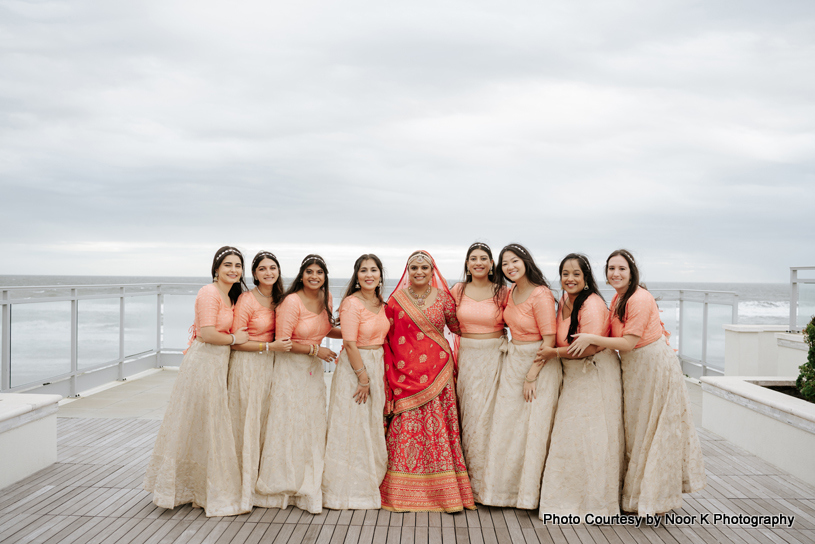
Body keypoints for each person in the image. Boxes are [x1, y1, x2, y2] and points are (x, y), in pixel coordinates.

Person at [568, 249, 706, 516]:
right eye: (611, 269)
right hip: (635, 369)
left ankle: (656, 498)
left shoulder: (640, 298)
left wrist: (590, 339)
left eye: (621, 268)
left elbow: (629, 343)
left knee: (654, 430)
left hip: (653, 366)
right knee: (639, 432)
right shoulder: (619, 298)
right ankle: (639, 495)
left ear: (632, 272)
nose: (615, 273)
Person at [143, 246, 249, 517]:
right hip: (203, 362)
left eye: (238, 265)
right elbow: (207, 333)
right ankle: (183, 487)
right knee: (196, 421)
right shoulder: (209, 293)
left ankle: (201, 485)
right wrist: (237, 339)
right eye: (228, 265)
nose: (233, 270)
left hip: (219, 362)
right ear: (216, 268)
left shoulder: (230, 295)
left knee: (209, 423)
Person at [379, 250, 475, 512]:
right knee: (406, 430)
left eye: (424, 268)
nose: (419, 272)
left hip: (439, 373)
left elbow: (458, 328)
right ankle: (401, 492)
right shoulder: (396, 300)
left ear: (433, 272)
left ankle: (445, 492)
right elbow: (385, 335)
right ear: (407, 272)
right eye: (414, 268)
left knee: (440, 432)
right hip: (405, 375)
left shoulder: (444, 298)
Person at [535, 253, 624, 518]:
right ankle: (566, 497)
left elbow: (591, 347)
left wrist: (553, 354)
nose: (570, 279)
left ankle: (593, 503)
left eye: (576, 274)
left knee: (589, 436)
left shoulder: (592, 304)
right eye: (565, 274)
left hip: (593, 375)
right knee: (570, 435)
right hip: (572, 376)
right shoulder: (564, 299)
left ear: (586, 278)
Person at [255, 254, 341, 514]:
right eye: (309, 272)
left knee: (311, 423)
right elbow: (283, 342)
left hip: (312, 372)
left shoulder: (327, 299)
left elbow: (326, 330)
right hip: (289, 369)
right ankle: (283, 482)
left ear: (325, 276)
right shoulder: (291, 302)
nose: (315, 277)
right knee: (288, 422)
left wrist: (359, 333)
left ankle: (307, 477)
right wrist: (317, 351)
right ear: (301, 275)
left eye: (320, 273)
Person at [479, 243, 561, 509]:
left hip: (538, 364)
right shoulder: (512, 290)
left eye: (514, 261)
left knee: (532, 428)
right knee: (508, 426)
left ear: (526, 261)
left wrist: (532, 375)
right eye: (504, 264)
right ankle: (503, 492)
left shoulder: (541, 294)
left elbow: (549, 341)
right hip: (514, 360)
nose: (510, 267)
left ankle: (529, 495)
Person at [322, 254, 390, 509]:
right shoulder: (352, 303)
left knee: (371, 425)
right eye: (364, 271)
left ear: (381, 275)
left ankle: (370, 481)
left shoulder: (382, 303)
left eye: (374, 270)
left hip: (377, 363)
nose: (369, 275)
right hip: (356, 368)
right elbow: (349, 342)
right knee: (351, 426)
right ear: (357, 275)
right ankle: (347, 489)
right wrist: (363, 377)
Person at [227, 251, 292, 511]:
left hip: (273, 367)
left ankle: (263, 480)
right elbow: (237, 343)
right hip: (249, 366)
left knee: (266, 423)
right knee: (246, 422)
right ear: (254, 274)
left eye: (273, 268)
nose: (268, 273)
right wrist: (269, 346)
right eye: (262, 269)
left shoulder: (282, 299)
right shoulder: (246, 299)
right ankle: (242, 484)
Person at [449, 242, 507, 501]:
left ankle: (491, 483)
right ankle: (469, 483)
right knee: (470, 415)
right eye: (473, 258)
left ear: (492, 263)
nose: (479, 262)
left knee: (492, 416)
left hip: (495, 356)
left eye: (484, 258)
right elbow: (440, 319)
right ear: (467, 264)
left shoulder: (503, 291)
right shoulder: (458, 290)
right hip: (469, 357)